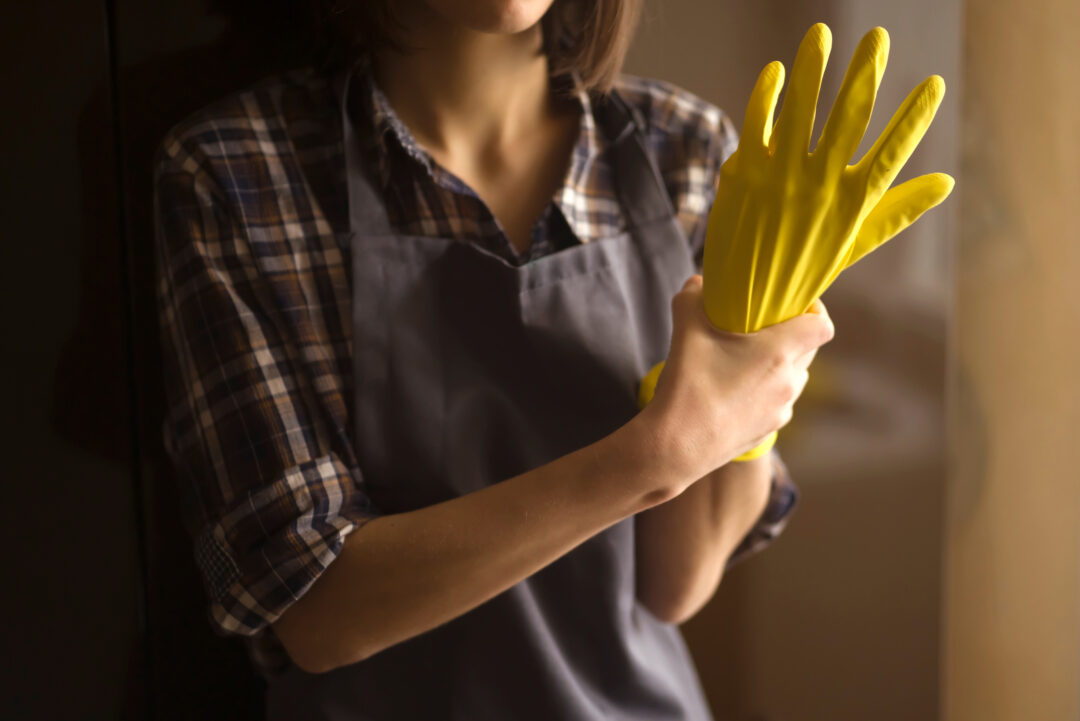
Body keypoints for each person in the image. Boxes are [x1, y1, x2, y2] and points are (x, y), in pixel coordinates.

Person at [153, 0, 834, 718]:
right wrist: (652, 457)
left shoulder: (685, 150)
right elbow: (319, 612)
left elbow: (674, 585)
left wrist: (750, 400)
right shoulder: (237, 174)